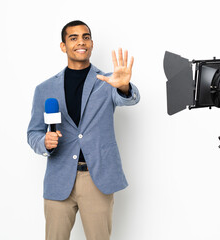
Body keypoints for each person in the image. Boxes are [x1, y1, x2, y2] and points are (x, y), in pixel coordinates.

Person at [27, 20, 140, 240]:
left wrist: (124, 86)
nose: (81, 42)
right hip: (59, 179)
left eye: (86, 37)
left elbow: (128, 99)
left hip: (97, 178)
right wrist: (44, 143)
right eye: (74, 38)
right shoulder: (44, 88)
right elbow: (33, 133)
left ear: (91, 44)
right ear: (63, 46)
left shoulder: (107, 81)